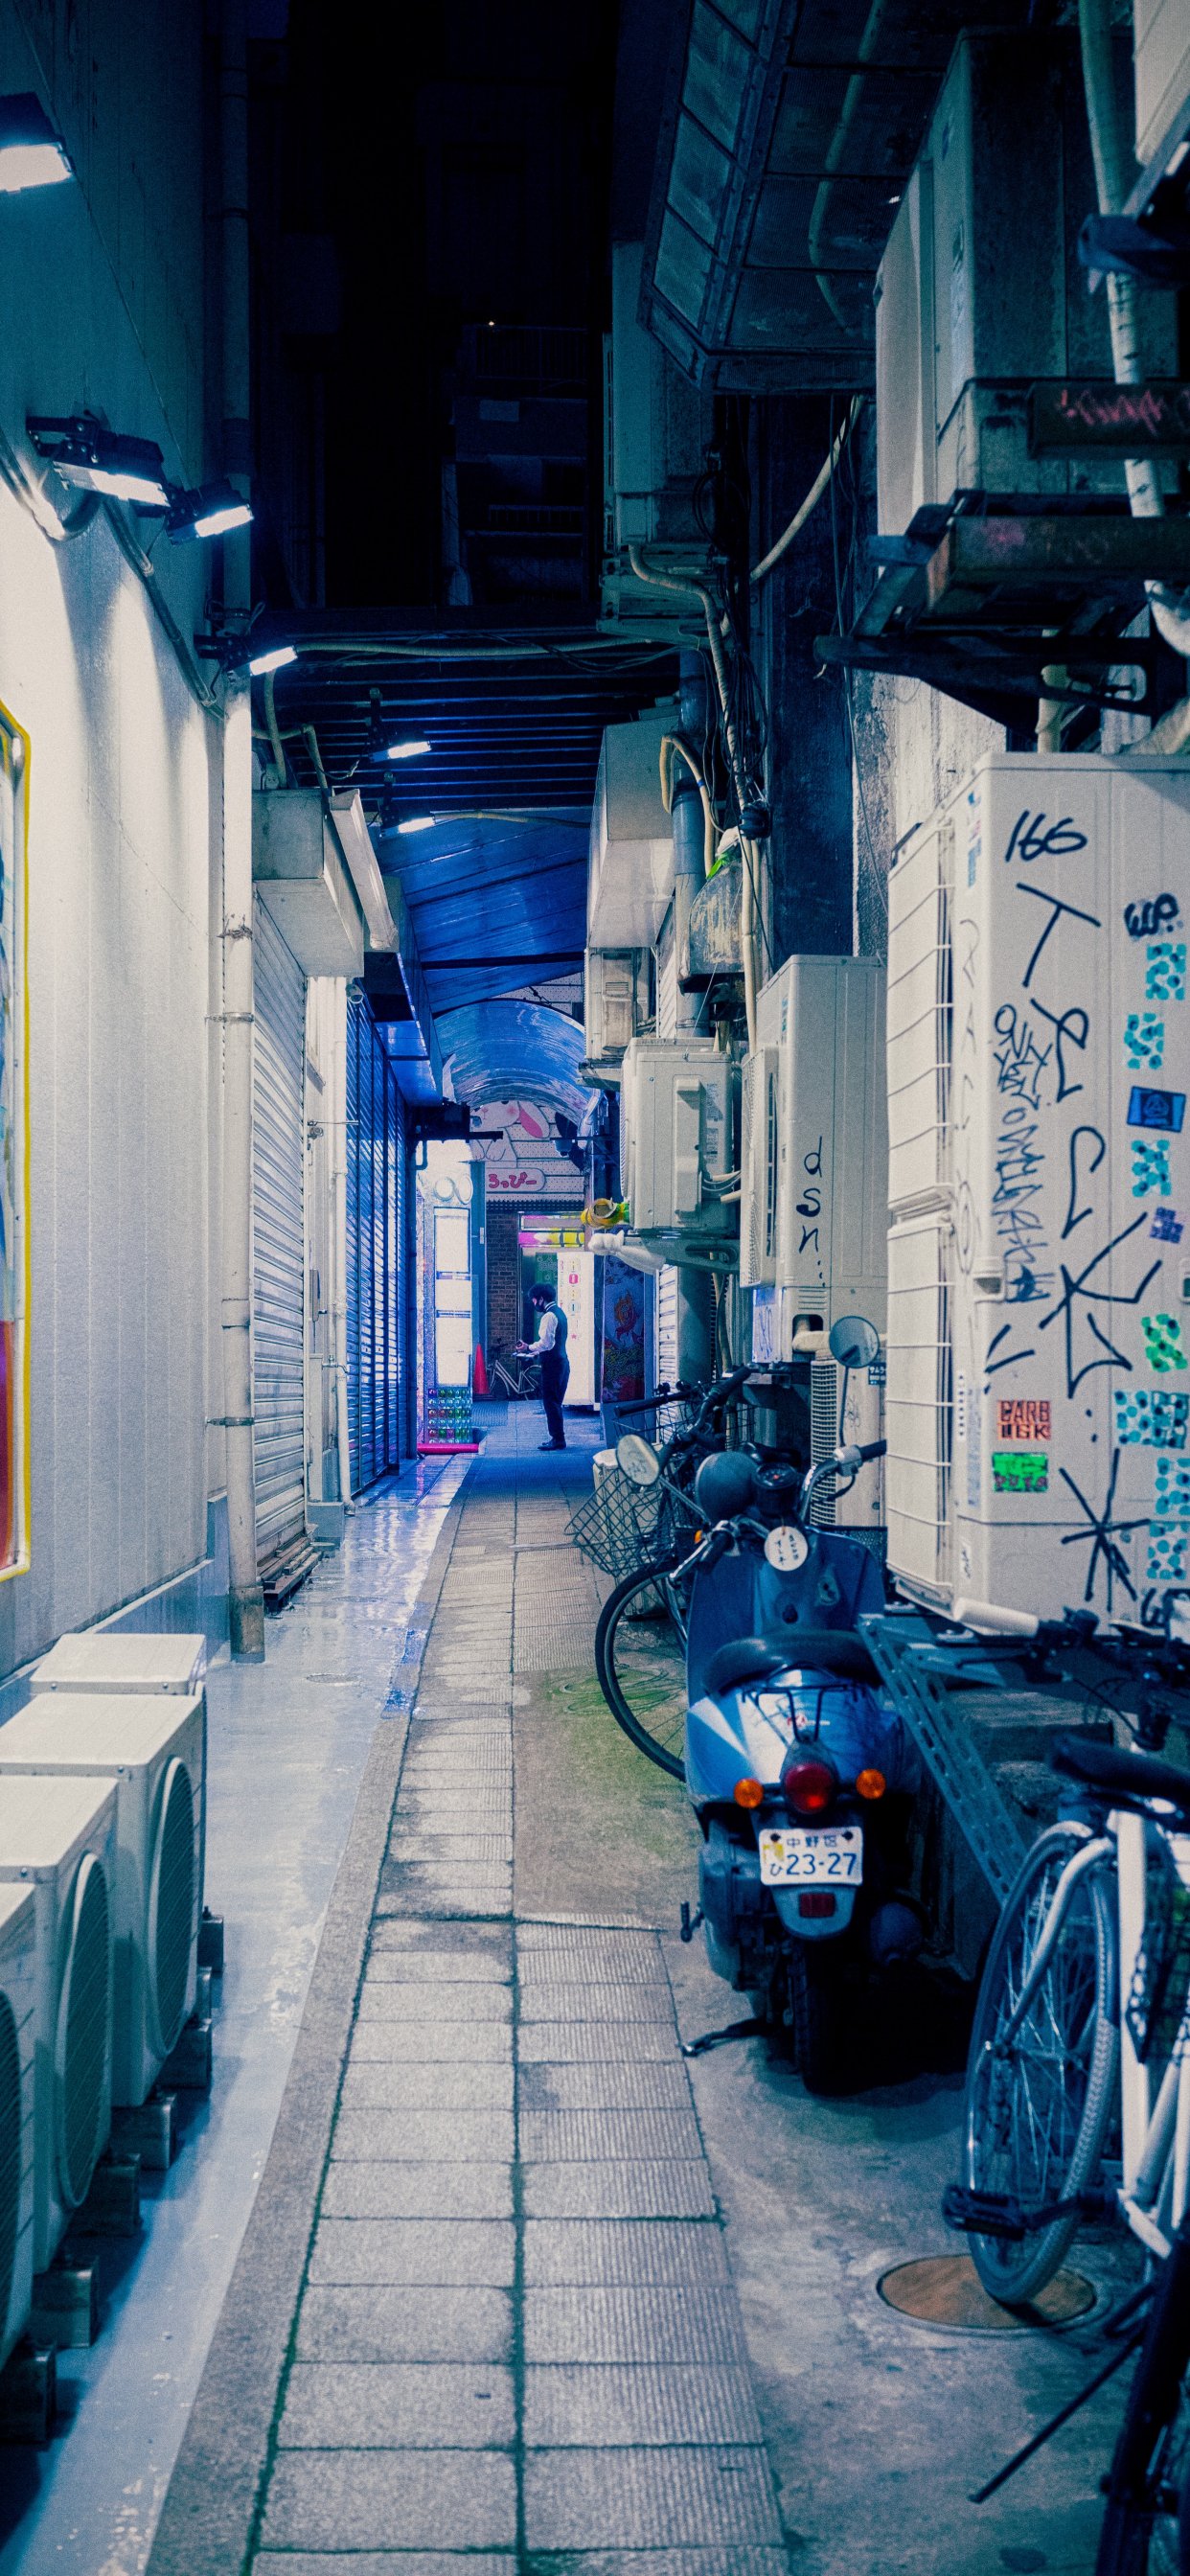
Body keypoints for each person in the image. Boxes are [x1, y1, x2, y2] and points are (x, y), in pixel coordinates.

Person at [517, 1280, 569, 1450]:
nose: (534, 1304)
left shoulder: (548, 1316)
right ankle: (558, 1438)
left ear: (541, 1299)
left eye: (534, 1300)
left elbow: (546, 1343)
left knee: (550, 1402)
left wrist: (528, 1348)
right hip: (562, 1363)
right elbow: (554, 1343)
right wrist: (534, 1352)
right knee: (555, 1402)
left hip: (553, 1365)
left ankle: (558, 1439)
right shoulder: (560, 1313)